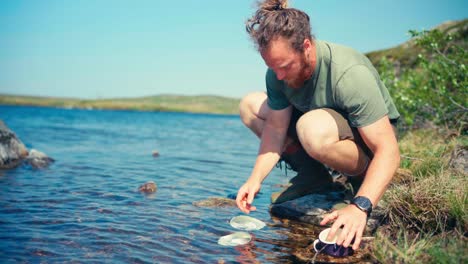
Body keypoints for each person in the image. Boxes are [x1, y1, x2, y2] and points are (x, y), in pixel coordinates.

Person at [235, 0, 400, 250]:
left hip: (364, 142)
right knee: (250, 105)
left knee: (311, 128)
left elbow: (388, 150)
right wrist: (254, 179)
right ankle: (313, 176)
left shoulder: (349, 73)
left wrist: (360, 206)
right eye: (271, 67)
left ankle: (360, 182)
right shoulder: (277, 75)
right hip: (320, 131)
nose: (278, 76)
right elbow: (276, 129)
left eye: (285, 66)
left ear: (306, 47)